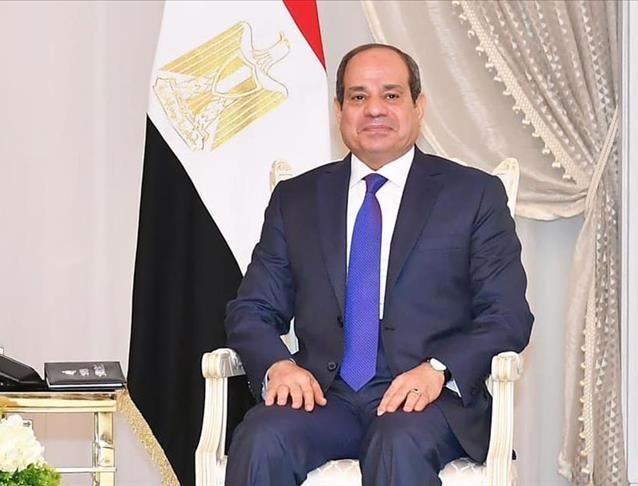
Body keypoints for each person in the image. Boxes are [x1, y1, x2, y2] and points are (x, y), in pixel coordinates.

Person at [224, 43, 534, 486]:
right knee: (261, 436)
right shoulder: (296, 199)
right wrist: (280, 365)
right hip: (325, 398)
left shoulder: (473, 195)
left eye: (391, 95)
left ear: (418, 106)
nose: (374, 109)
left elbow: (507, 315)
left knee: (395, 441)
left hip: (427, 400)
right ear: (339, 110)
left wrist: (437, 370)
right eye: (358, 96)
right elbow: (251, 310)